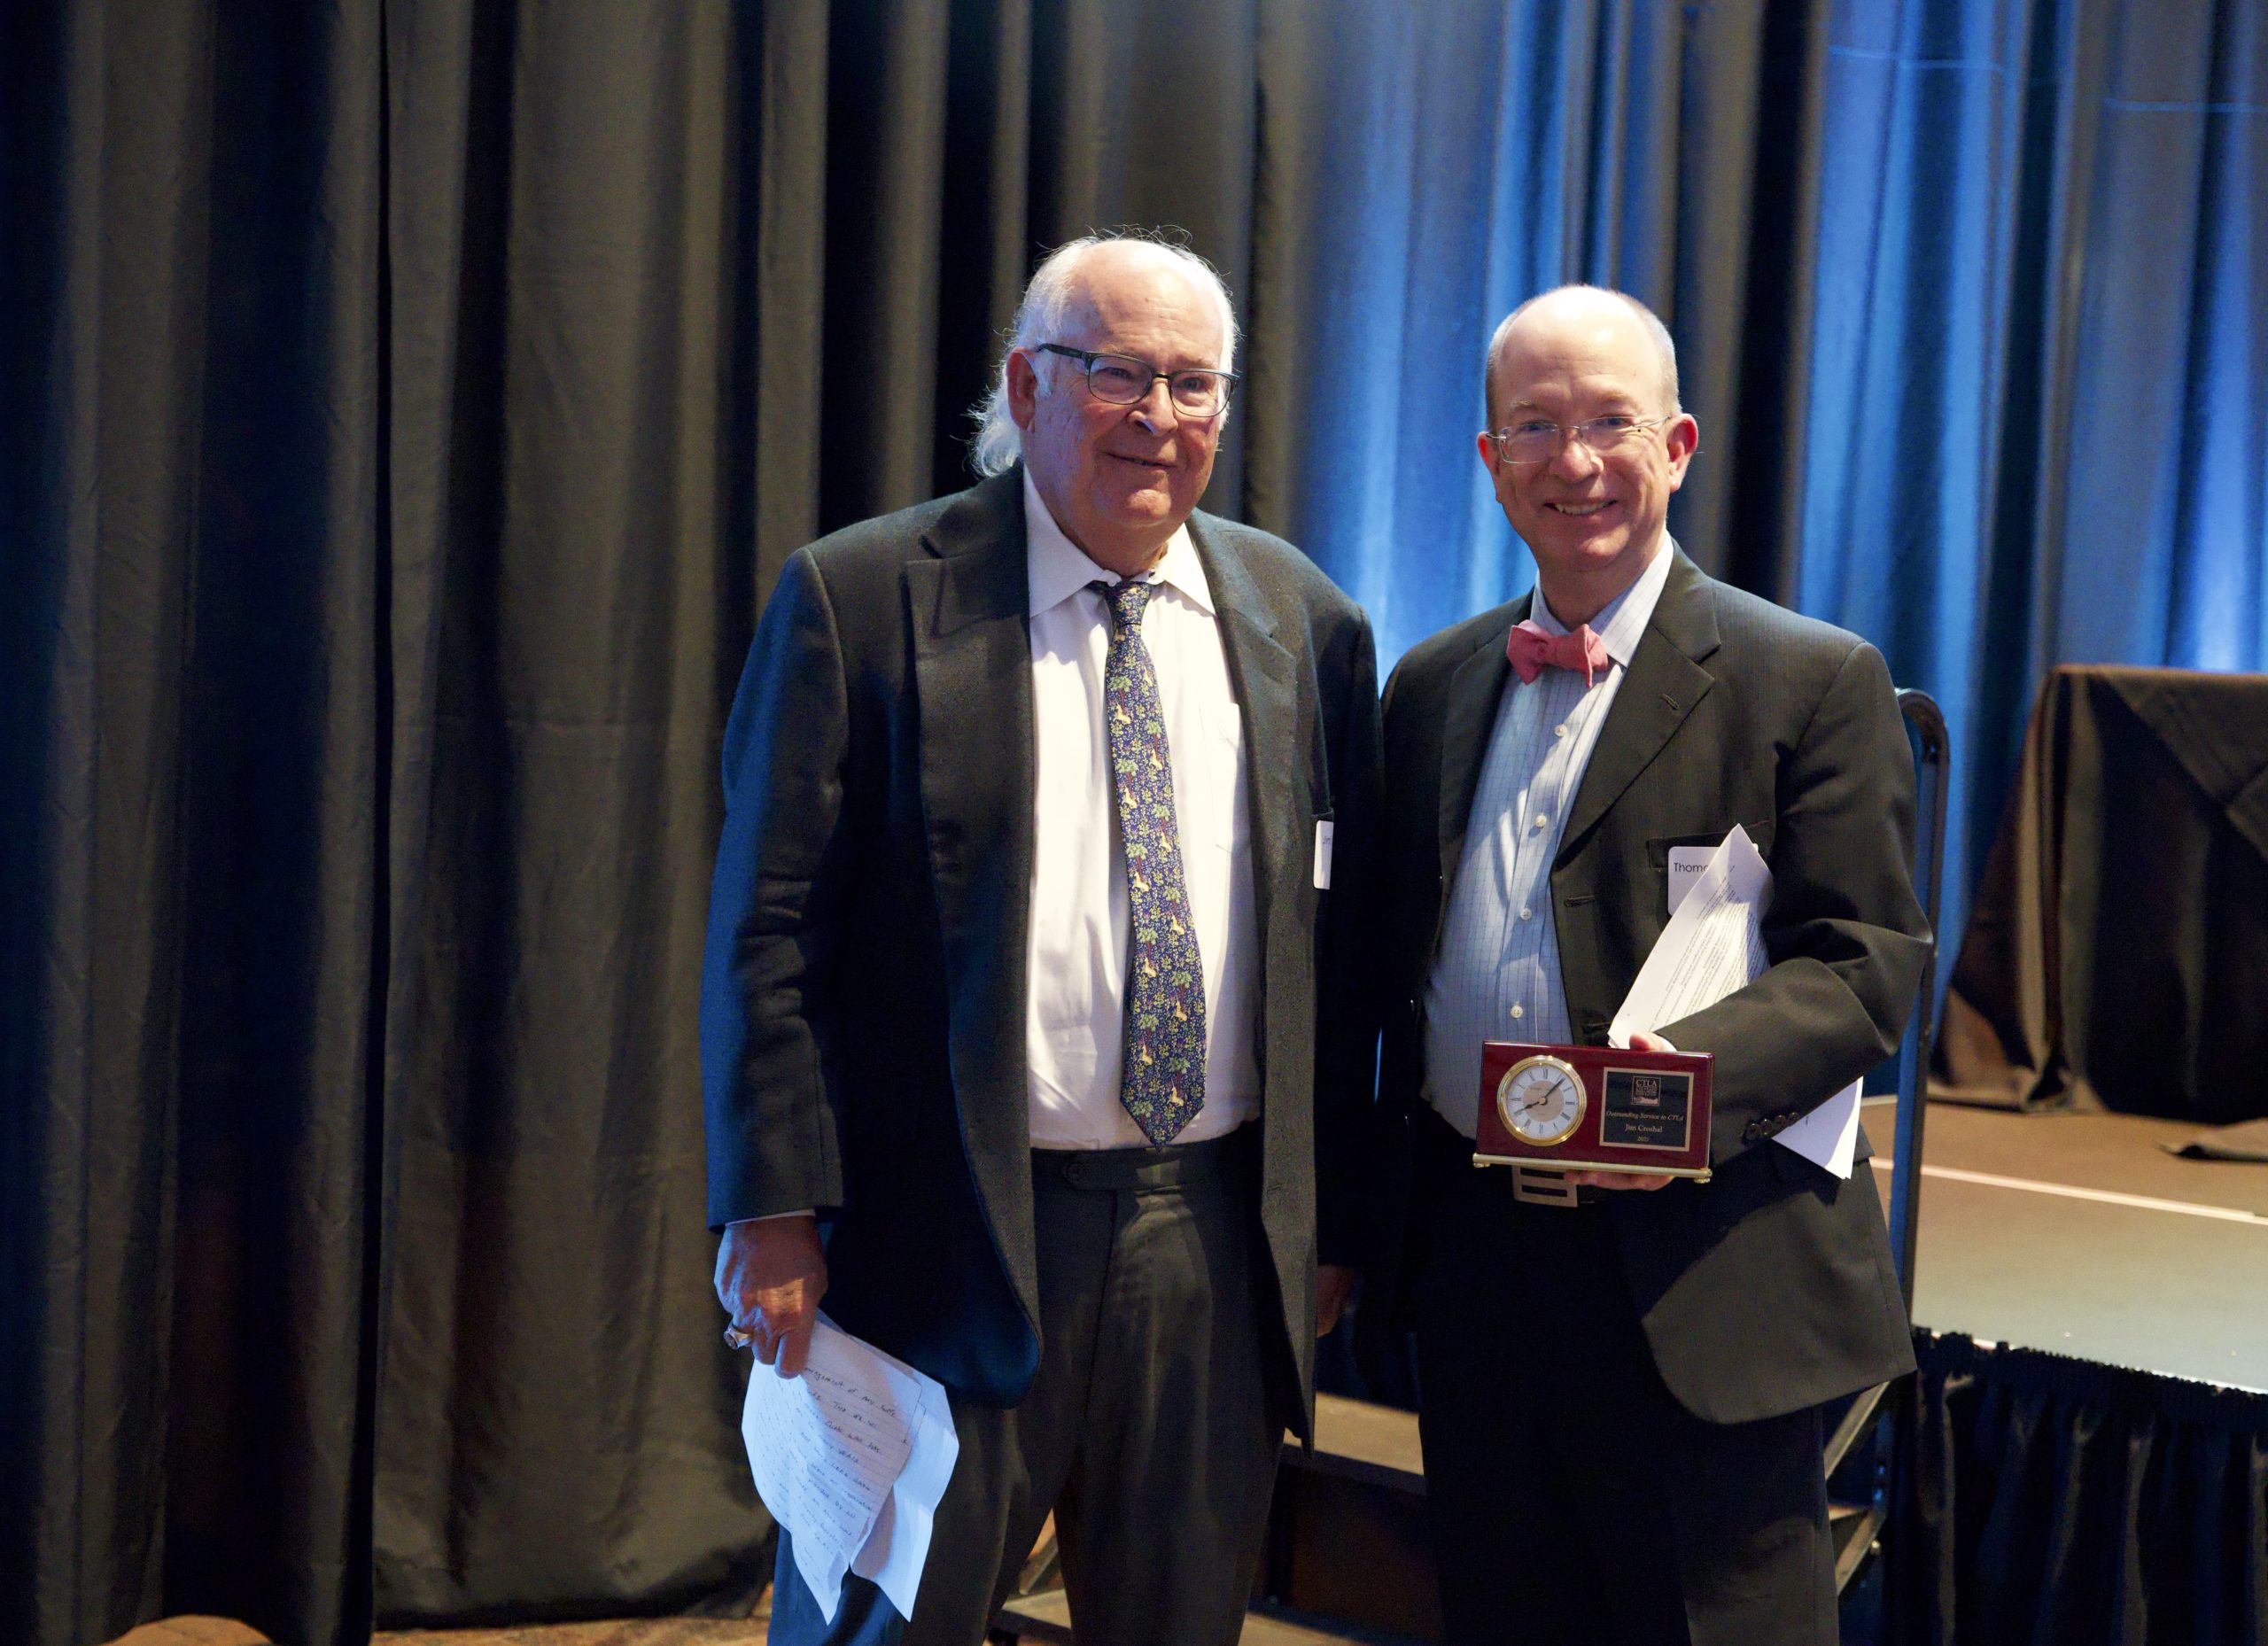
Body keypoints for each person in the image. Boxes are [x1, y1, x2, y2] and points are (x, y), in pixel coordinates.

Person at [702, 232, 1380, 1646]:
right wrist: (771, 1209)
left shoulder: (1304, 621)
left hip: (1207, 1233)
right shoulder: (864, 596)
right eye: (1118, 372)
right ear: (1025, 384)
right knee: (881, 1627)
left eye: (1195, 384)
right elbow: (767, 932)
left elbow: (1346, 949)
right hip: (933, 1231)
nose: (1160, 417)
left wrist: (1332, 1222)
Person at [1363, 285, 1930, 1644]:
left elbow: (1865, 966)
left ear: (1676, 444)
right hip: (1484, 1270)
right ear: (1490, 461)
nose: (1575, 461)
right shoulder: (1433, 685)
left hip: (1705, 1266)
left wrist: (1660, 1084)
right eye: (1536, 427)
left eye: (1610, 422)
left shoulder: (1809, 678)